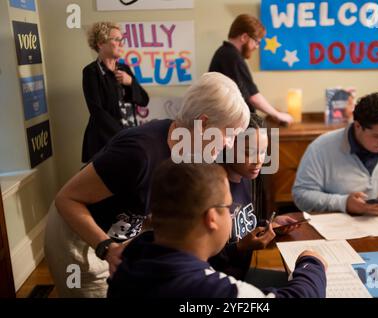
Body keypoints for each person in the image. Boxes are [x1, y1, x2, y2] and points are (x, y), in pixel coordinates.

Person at [44, 72, 250, 297]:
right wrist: (106, 248)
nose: (230, 144)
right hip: (79, 235)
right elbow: (67, 199)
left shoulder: (190, 154)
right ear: (203, 123)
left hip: (117, 236)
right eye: (229, 134)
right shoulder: (139, 153)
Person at [107, 161, 327, 298]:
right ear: (212, 218)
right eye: (228, 206)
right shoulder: (216, 291)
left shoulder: (129, 257)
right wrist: (311, 264)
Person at [292, 92, 378, 215]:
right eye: (377, 136)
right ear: (357, 126)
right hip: (338, 229)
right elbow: (301, 195)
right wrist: (343, 203)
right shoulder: (321, 148)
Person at [210, 114, 301, 280]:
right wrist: (238, 247)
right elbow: (203, 256)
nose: (258, 160)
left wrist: (270, 225)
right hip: (221, 285)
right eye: (249, 152)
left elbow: (243, 224)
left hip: (244, 274)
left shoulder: (246, 177)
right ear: (227, 146)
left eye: (263, 152)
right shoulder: (213, 188)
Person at [82, 22, 149, 163]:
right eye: (116, 40)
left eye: (121, 40)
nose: (121, 44)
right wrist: (122, 136)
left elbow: (144, 99)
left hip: (129, 138)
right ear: (101, 44)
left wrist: (130, 82)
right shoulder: (91, 72)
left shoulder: (124, 69)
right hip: (104, 141)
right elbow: (97, 111)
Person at [209, 14, 293, 125]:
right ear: (244, 37)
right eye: (257, 42)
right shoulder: (232, 57)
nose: (257, 47)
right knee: (271, 135)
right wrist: (277, 115)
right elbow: (253, 97)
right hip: (231, 124)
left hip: (228, 121)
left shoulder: (225, 53)